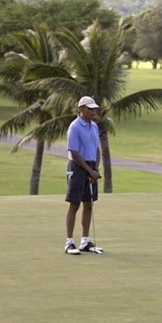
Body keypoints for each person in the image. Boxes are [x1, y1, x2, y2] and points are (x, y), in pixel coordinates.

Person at [64, 96, 103, 255]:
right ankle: (69, 243)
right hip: (78, 167)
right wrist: (89, 171)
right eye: (89, 108)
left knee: (88, 203)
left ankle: (85, 242)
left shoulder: (94, 126)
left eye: (94, 109)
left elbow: (97, 149)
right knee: (75, 204)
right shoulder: (74, 127)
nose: (93, 111)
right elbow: (74, 152)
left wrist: (96, 170)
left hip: (91, 166)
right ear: (81, 109)